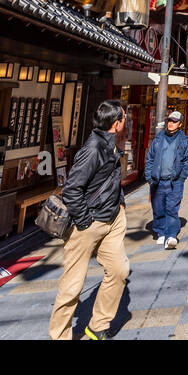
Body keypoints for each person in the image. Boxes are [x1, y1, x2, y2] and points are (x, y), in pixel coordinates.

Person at [49, 100, 129, 340]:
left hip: (113, 218)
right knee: (72, 286)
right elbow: (71, 188)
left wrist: (120, 202)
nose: (126, 122)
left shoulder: (111, 144)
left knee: (119, 270)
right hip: (89, 223)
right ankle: (59, 335)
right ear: (116, 124)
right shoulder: (93, 148)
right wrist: (85, 221)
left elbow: (112, 178)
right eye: (124, 118)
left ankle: (98, 325)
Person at [144, 110, 188, 249]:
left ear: (180, 124)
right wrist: (149, 177)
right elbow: (150, 158)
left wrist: (182, 177)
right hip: (158, 181)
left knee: (172, 208)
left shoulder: (183, 140)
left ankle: (171, 235)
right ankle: (161, 233)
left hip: (175, 182)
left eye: (174, 121)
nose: (171, 124)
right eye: (169, 121)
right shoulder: (159, 138)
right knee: (158, 208)